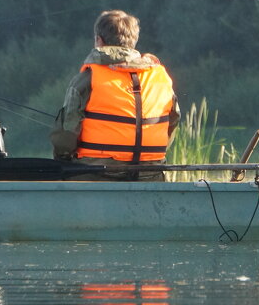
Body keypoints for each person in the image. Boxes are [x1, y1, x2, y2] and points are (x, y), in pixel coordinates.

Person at [51, 10, 180, 181]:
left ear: (99, 40)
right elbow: (172, 121)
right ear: (133, 41)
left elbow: (66, 136)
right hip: (150, 174)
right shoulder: (161, 78)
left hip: (96, 174)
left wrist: (63, 162)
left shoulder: (87, 79)